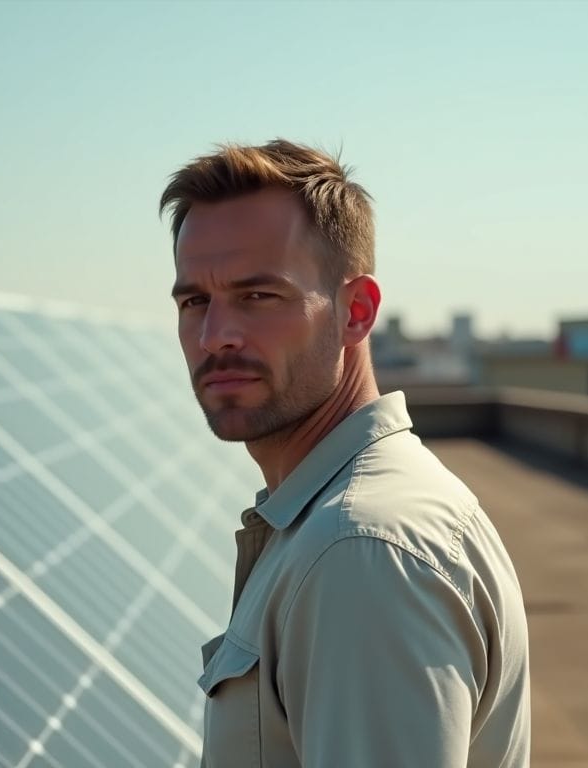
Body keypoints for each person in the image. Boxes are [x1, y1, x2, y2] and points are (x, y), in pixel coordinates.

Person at [161, 139, 530, 767]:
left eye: (258, 296)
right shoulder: (334, 522)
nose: (214, 335)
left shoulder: (360, 553)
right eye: (195, 300)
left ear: (355, 311)